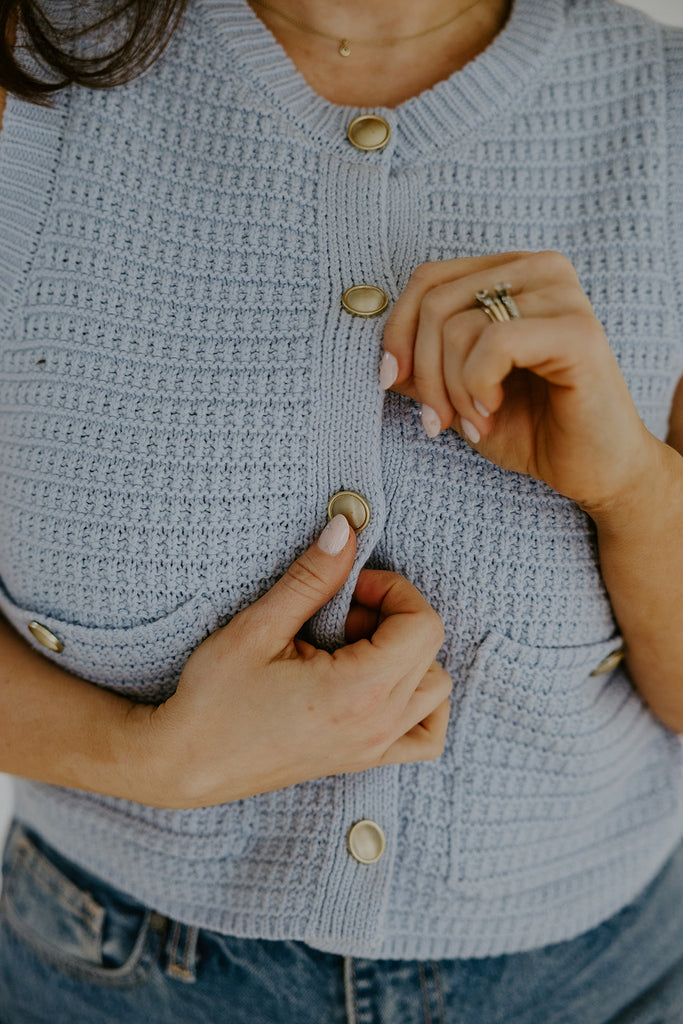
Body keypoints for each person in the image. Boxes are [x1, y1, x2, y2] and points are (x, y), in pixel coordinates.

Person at [0, 0, 682, 1019]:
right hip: (111, 977)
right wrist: (149, 758)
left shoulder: (661, 112)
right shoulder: (28, 81)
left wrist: (630, 483)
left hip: (598, 978)